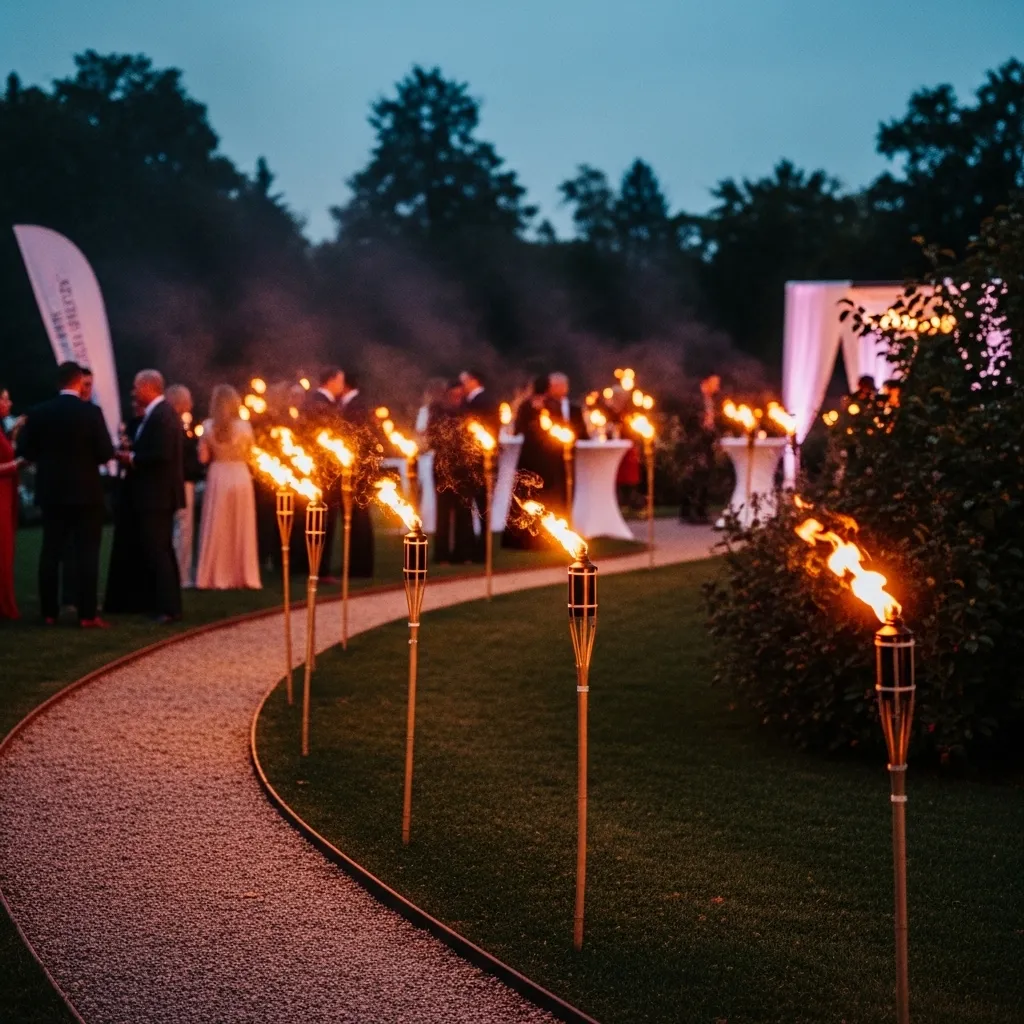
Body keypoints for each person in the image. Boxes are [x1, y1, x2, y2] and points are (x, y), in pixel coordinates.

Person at [16, 362, 114, 626]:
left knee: (50, 552)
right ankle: (87, 614)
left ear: (58, 383)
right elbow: (106, 452)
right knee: (87, 554)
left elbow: (25, 451)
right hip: (86, 493)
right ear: (79, 382)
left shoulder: (39, 413)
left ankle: (49, 613)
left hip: (52, 492)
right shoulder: (91, 412)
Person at [116, 369, 185, 623]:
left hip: (157, 495)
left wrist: (131, 458)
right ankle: (164, 604)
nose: (134, 392)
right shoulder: (160, 413)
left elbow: (161, 453)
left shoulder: (162, 414)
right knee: (159, 549)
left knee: (159, 550)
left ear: (148, 387)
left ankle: (168, 609)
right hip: (156, 494)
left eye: (136, 387)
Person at [195, 385, 261, 590]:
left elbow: (203, 458)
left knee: (218, 524)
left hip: (218, 476)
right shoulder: (245, 427)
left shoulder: (207, 426)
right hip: (240, 476)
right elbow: (252, 456)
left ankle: (215, 574)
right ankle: (242, 573)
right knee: (241, 524)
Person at [301, 367, 347, 581]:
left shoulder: (312, 400)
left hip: (316, 469)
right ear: (330, 381)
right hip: (325, 470)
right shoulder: (321, 404)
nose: (342, 385)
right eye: (340, 381)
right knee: (324, 520)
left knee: (317, 519)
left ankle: (313, 565)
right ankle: (321, 568)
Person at [503, 375, 554, 550]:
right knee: (536, 495)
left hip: (533, 456)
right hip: (540, 457)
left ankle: (529, 538)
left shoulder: (530, 405)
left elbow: (517, 429)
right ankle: (534, 537)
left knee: (527, 495)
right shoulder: (544, 406)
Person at [429, 379, 474, 563]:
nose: (457, 398)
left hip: (463, 467)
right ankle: (442, 555)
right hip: (443, 466)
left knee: (464, 511)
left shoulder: (467, 412)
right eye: (454, 395)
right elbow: (433, 438)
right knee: (443, 512)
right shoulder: (438, 412)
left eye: (460, 395)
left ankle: (463, 553)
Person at [460, 370, 502, 562]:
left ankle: (481, 551)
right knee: (480, 505)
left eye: (465, 381)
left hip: (479, 459)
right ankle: (478, 548)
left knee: (482, 505)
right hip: (479, 458)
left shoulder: (481, 402)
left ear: (474, 381)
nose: (462, 386)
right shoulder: (482, 400)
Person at [338, 370, 375, 578]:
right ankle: (357, 563)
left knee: (358, 516)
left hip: (357, 469)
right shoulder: (355, 404)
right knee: (356, 516)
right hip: (358, 467)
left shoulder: (355, 406)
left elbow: (357, 438)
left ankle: (360, 566)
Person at [166, 385, 203, 588]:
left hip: (176, 482)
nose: (191, 405)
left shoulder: (176, 425)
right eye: (188, 401)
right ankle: (181, 575)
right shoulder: (177, 427)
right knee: (183, 529)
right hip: (182, 482)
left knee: (178, 529)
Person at [679, 375, 721, 524]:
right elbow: (688, 421)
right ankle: (688, 512)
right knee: (693, 478)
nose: (717, 387)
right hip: (695, 446)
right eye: (715, 383)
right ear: (705, 382)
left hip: (706, 444)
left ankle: (701, 511)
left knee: (704, 478)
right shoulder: (695, 400)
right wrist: (701, 428)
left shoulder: (711, 401)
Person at [0, 386, 23, 621]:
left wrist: (14, 433)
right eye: (5, 399)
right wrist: (17, 465)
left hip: (6, 494)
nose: (9, 403)